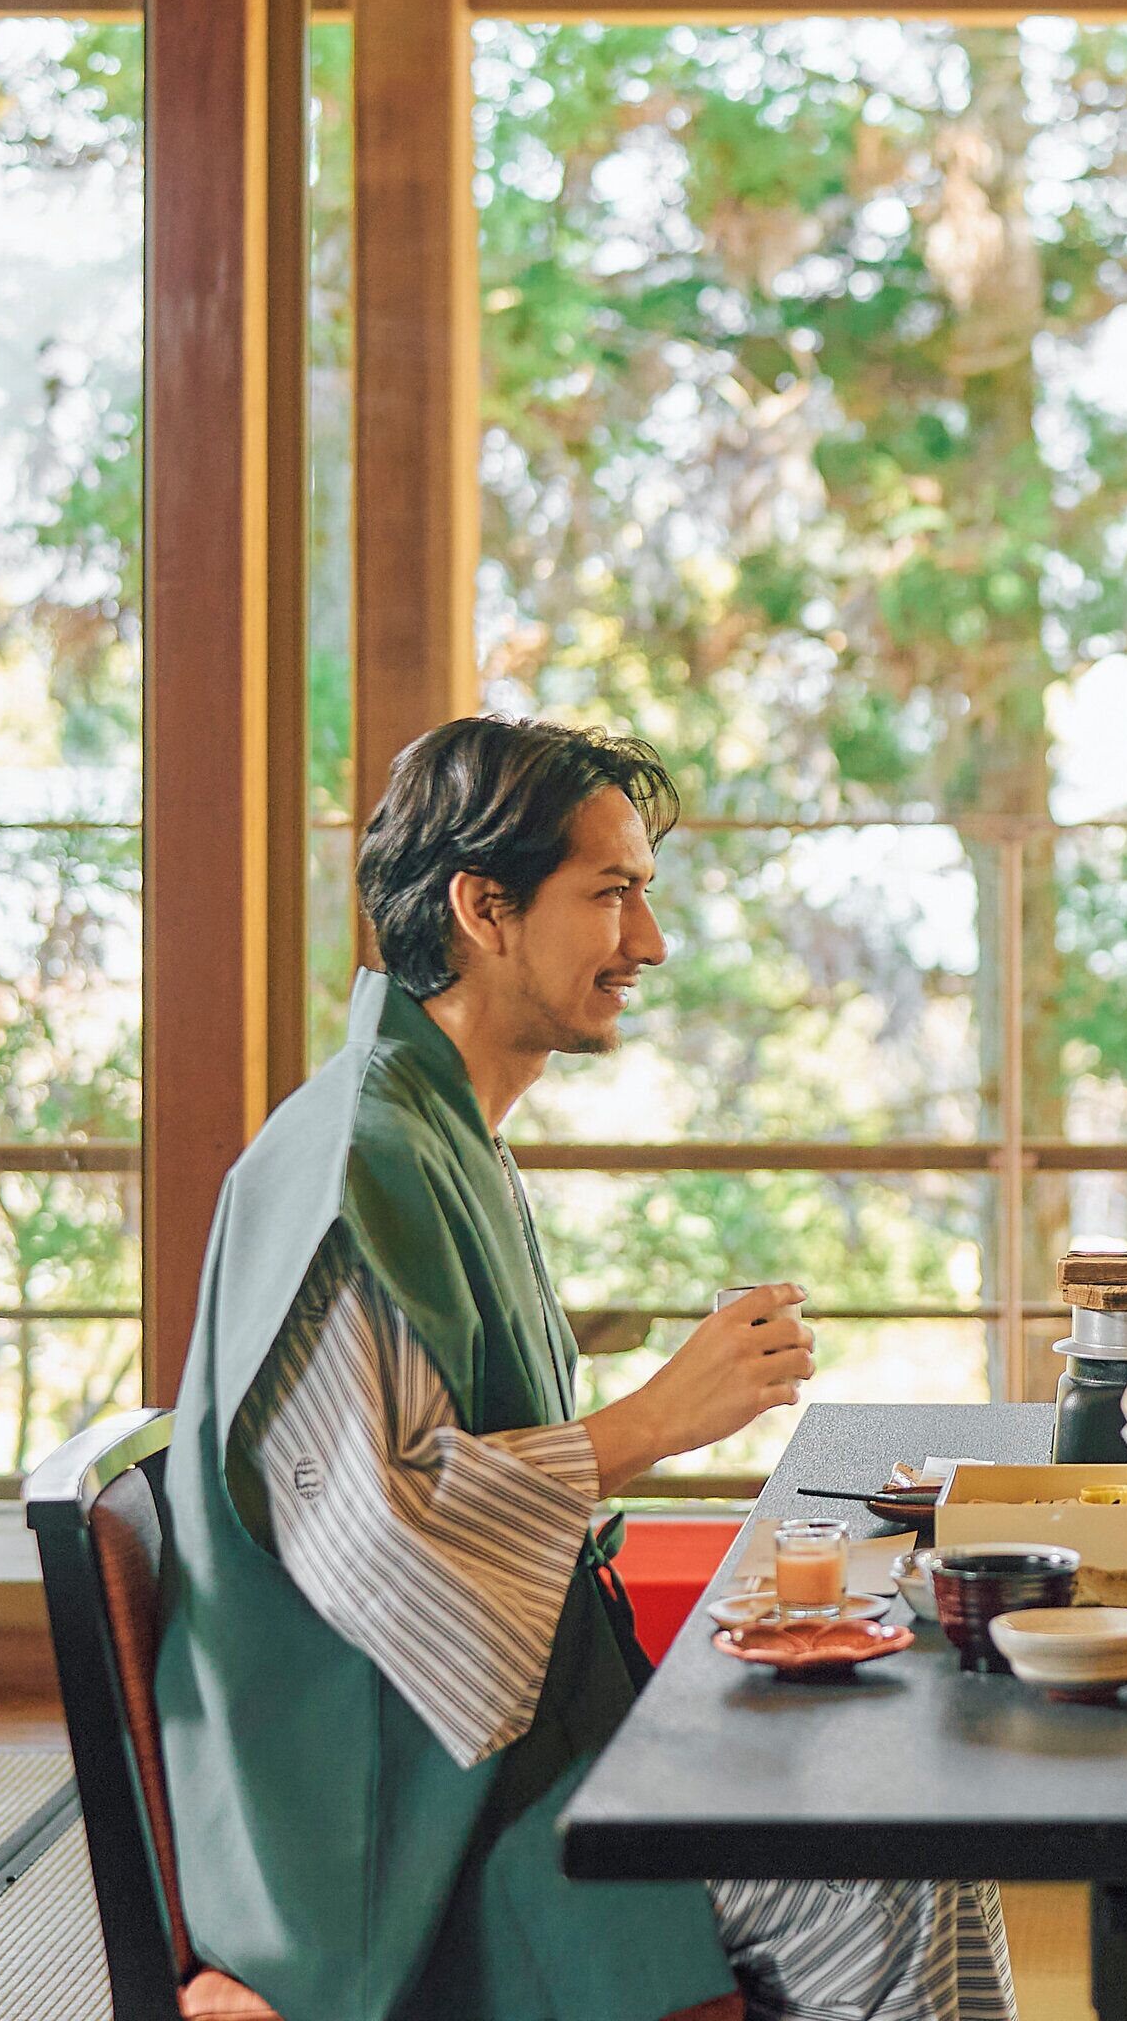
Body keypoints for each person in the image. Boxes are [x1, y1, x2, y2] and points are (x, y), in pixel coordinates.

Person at [154, 715, 1014, 2021]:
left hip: (495, 1772)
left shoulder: (436, 1130)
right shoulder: (352, 1160)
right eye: (610, 897)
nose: (649, 946)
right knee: (879, 1873)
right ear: (483, 907)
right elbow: (369, 1535)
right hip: (395, 1855)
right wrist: (650, 1425)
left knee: (895, 1814)